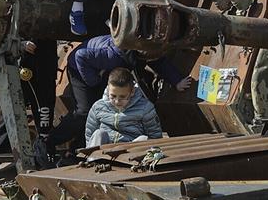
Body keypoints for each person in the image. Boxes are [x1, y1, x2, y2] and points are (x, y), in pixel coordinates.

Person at [44, 35, 191, 160]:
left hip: (101, 71)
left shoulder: (144, 49)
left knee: (106, 108)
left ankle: (76, 148)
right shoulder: (111, 55)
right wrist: (93, 82)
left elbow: (157, 61)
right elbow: (80, 56)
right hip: (80, 68)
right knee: (85, 110)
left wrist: (176, 80)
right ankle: (49, 142)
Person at [85, 68, 165, 147]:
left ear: (132, 92)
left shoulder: (145, 108)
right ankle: (92, 159)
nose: (117, 101)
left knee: (143, 139)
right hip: (105, 149)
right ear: (108, 89)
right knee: (99, 133)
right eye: (113, 96)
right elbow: (90, 134)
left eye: (122, 97)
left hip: (130, 149)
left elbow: (155, 136)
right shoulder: (98, 107)